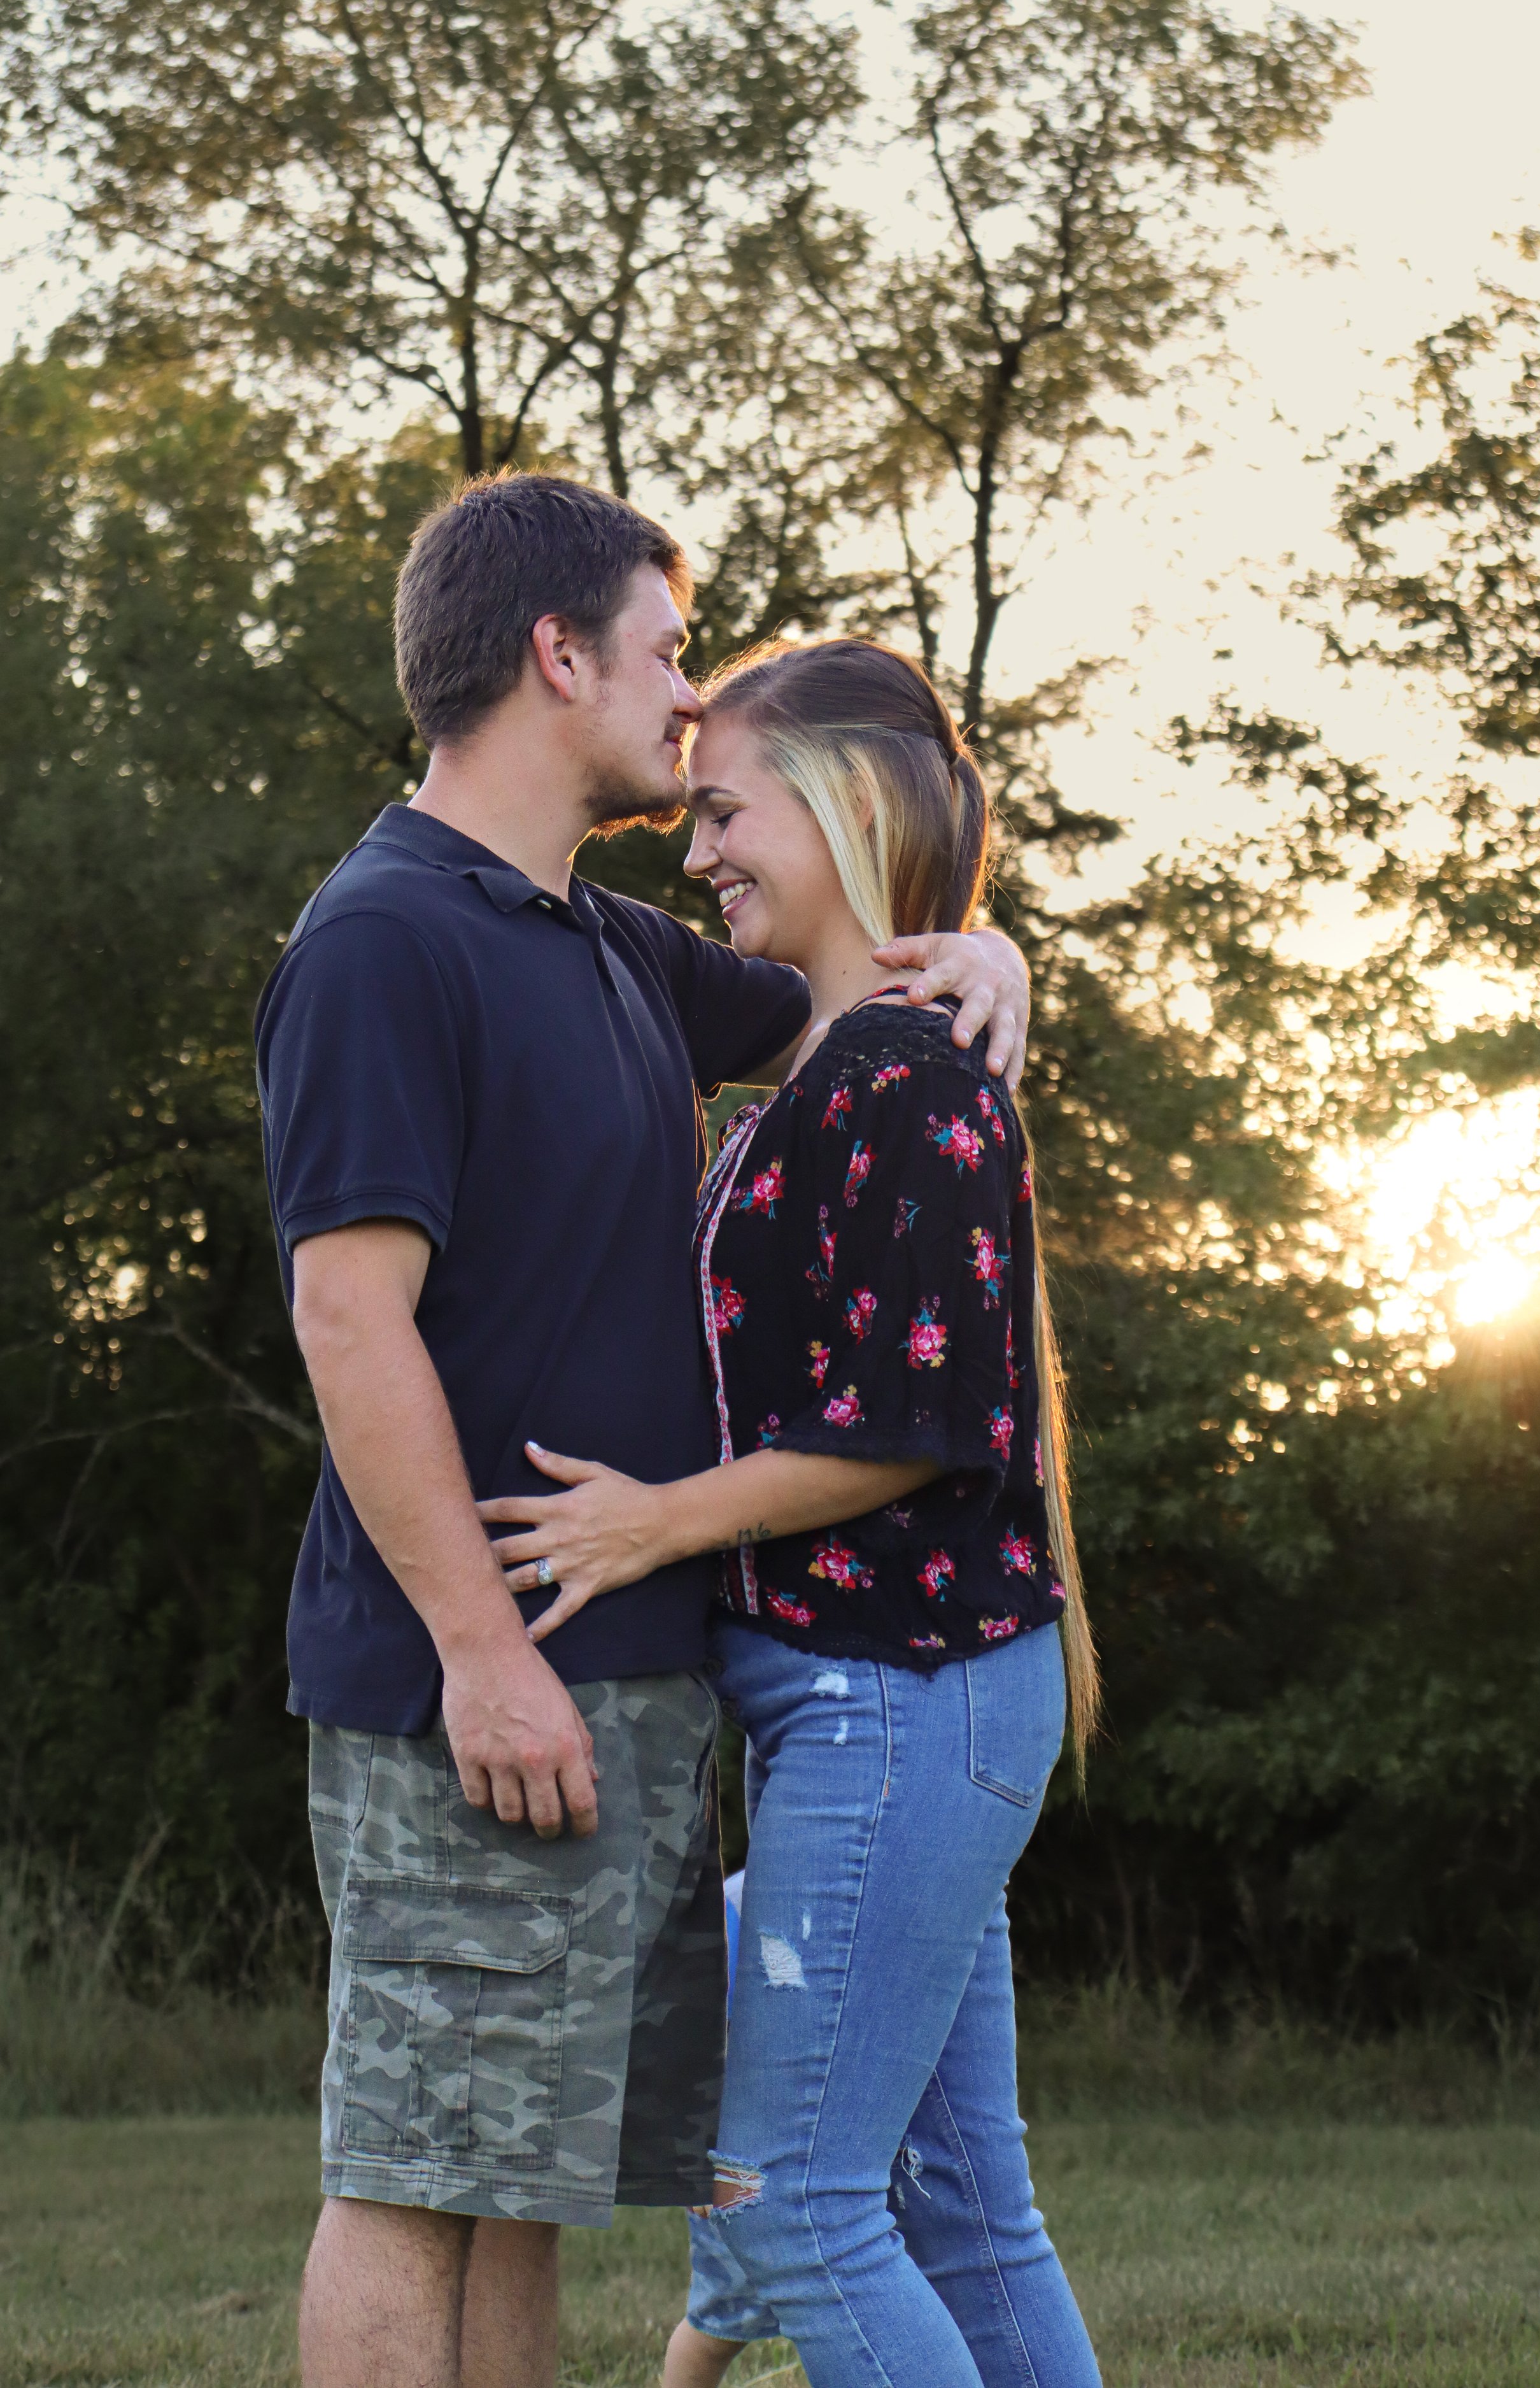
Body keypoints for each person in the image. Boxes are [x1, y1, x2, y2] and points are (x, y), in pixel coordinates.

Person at [253, 474, 1035, 2388]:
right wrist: (478, 1652)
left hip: (623, 1672)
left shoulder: (599, 948)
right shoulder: (383, 940)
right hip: (478, 1669)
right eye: (669, 652)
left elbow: (853, 992)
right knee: (405, 2174)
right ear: (556, 652)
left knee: (514, 2181)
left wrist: (988, 946)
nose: (688, 707)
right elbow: (346, 1317)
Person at [476, 636, 1104, 2388]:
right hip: (881, 1702)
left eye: (728, 811)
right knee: (963, 2209)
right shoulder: (831, 1061)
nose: (697, 852)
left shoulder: (901, 1074)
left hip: (898, 1700)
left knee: (795, 2202)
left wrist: (654, 1524)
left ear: (844, 803)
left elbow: (918, 1425)